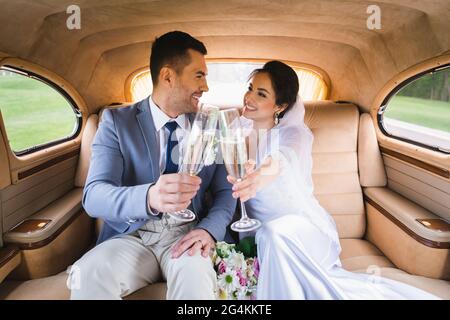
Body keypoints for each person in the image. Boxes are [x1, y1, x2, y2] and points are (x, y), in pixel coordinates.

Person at [228, 60, 439, 299]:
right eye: (250, 88)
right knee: (266, 235)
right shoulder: (236, 133)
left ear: (280, 105)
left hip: (299, 228)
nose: (249, 97)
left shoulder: (294, 135)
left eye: (261, 93)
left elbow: (279, 160)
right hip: (255, 231)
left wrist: (257, 178)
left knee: (273, 234)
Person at [68, 31, 236, 299]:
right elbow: (94, 196)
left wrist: (208, 230)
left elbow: (226, 192)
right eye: (199, 75)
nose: (206, 87)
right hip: (132, 236)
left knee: (196, 284)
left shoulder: (209, 125)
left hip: (188, 236)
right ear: (168, 76)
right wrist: (149, 197)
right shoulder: (116, 122)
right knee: (87, 274)